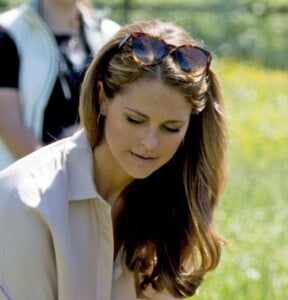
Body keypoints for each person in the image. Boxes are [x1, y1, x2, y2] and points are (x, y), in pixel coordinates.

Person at [0, 19, 227, 300]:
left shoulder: (174, 201)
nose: (150, 143)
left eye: (171, 128)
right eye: (134, 120)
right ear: (102, 97)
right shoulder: (27, 202)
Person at [0, 0, 120, 170]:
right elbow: (7, 121)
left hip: (92, 181)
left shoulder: (111, 35)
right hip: (28, 181)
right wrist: (57, 175)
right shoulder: (8, 31)